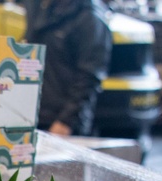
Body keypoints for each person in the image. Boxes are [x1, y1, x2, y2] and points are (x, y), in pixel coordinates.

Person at [24, 0, 113, 136]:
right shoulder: (45, 9)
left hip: (62, 124)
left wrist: (66, 121)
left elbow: (89, 77)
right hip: (36, 116)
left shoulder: (89, 16)